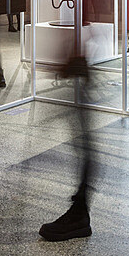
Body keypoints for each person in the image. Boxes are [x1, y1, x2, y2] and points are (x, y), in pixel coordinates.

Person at [39, 55, 93, 241]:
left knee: (85, 144)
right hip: (78, 66)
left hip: (79, 66)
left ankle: (79, 214)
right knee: (83, 143)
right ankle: (79, 211)